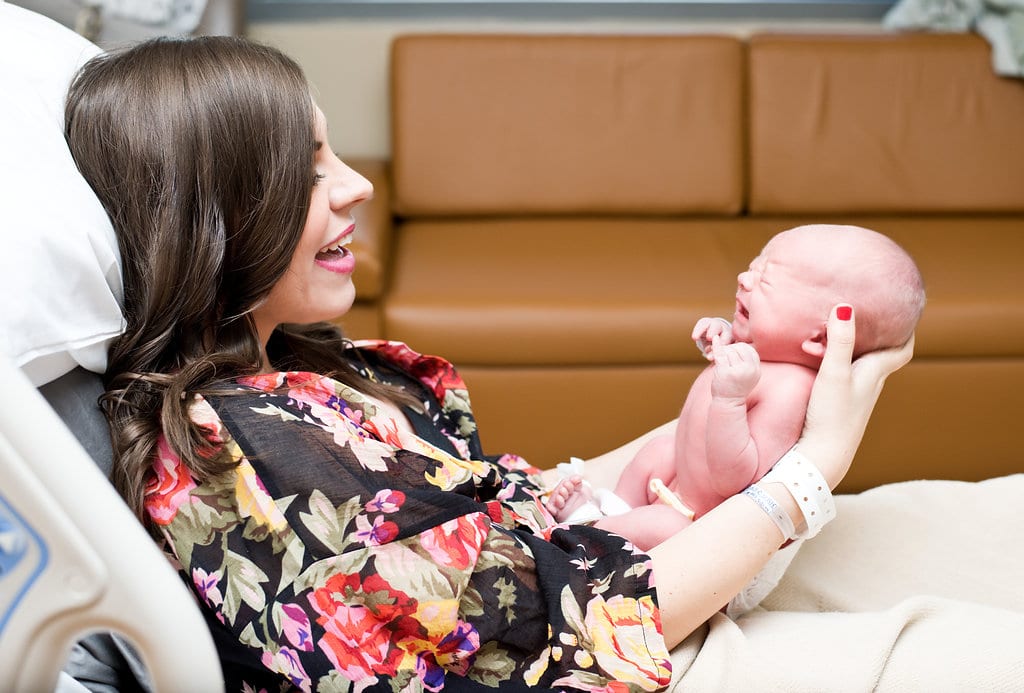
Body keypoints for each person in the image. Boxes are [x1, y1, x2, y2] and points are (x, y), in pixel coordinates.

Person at [64, 36, 913, 692]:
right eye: (310, 166)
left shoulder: (297, 366)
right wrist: (809, 473)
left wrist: (771, 408)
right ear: (218, 213)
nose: (359, 184)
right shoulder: (245, 455)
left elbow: (507, 526)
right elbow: (568, 631)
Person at [546, 225, 925, 558]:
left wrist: (730, 397)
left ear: (819, 337)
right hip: (679, 482)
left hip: (693, 521)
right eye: (754, 265)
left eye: (766, 281)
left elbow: (733, 479)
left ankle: (589, 534)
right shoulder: (767, 355)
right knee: (659, 451)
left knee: (665, 526)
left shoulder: (791, 391)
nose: (744, 277)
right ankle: (615, 510)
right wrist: (724, 341)